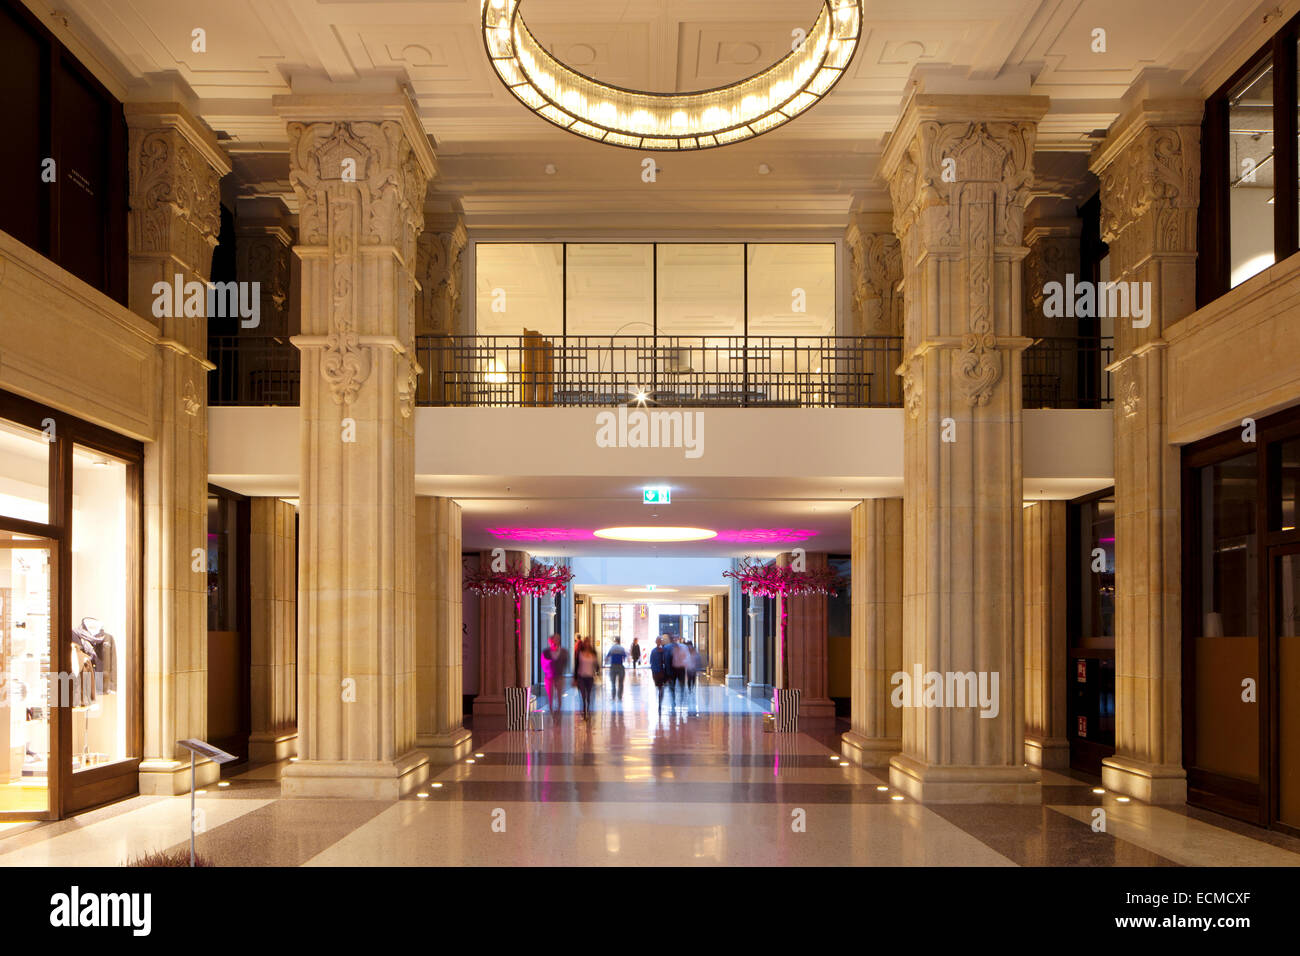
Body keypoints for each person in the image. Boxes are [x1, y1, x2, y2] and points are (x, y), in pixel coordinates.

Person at [541, 634, 567, 713]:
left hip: (559, 676)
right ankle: (551, 708)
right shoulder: (545, 652)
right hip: (549, 677)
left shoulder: (563, 652)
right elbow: (543, 663)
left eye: (557, 639)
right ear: (551, 641)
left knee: (559, 694)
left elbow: (565, 662)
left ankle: (559, 708)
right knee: (550, 694)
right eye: (554, 640)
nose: (555, 642)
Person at [574, 638, 598, 720]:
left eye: (588, 642)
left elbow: (596, 665)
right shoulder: (580, 653)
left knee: (589, 695)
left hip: (590, 677)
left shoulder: (593, 653)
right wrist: (575, 678)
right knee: (583, 695)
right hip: (581, 677)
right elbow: (576, 665)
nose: (587, 644)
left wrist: (597, 670)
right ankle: (584, 710)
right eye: (586, 642)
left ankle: (588, 708)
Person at [648, 636, 670, 713]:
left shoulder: (656, 651)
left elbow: (651, 662)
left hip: (658, 672)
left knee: (660, 687)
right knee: (660, 687)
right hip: (659, 672)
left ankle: (660, 701)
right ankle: (660, 701)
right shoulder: (663, 650)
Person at [669, 633, 690, 710]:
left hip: (681, 668)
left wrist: (683, 663)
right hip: (673, 669)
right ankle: (673, 700)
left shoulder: (684, 647)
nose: (674, 640)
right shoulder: (670, 648)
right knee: (672, 686)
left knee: (682, 685)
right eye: (673, 638)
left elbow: (688, 657)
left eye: (676, 638)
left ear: (678, 639)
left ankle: (681, 700)